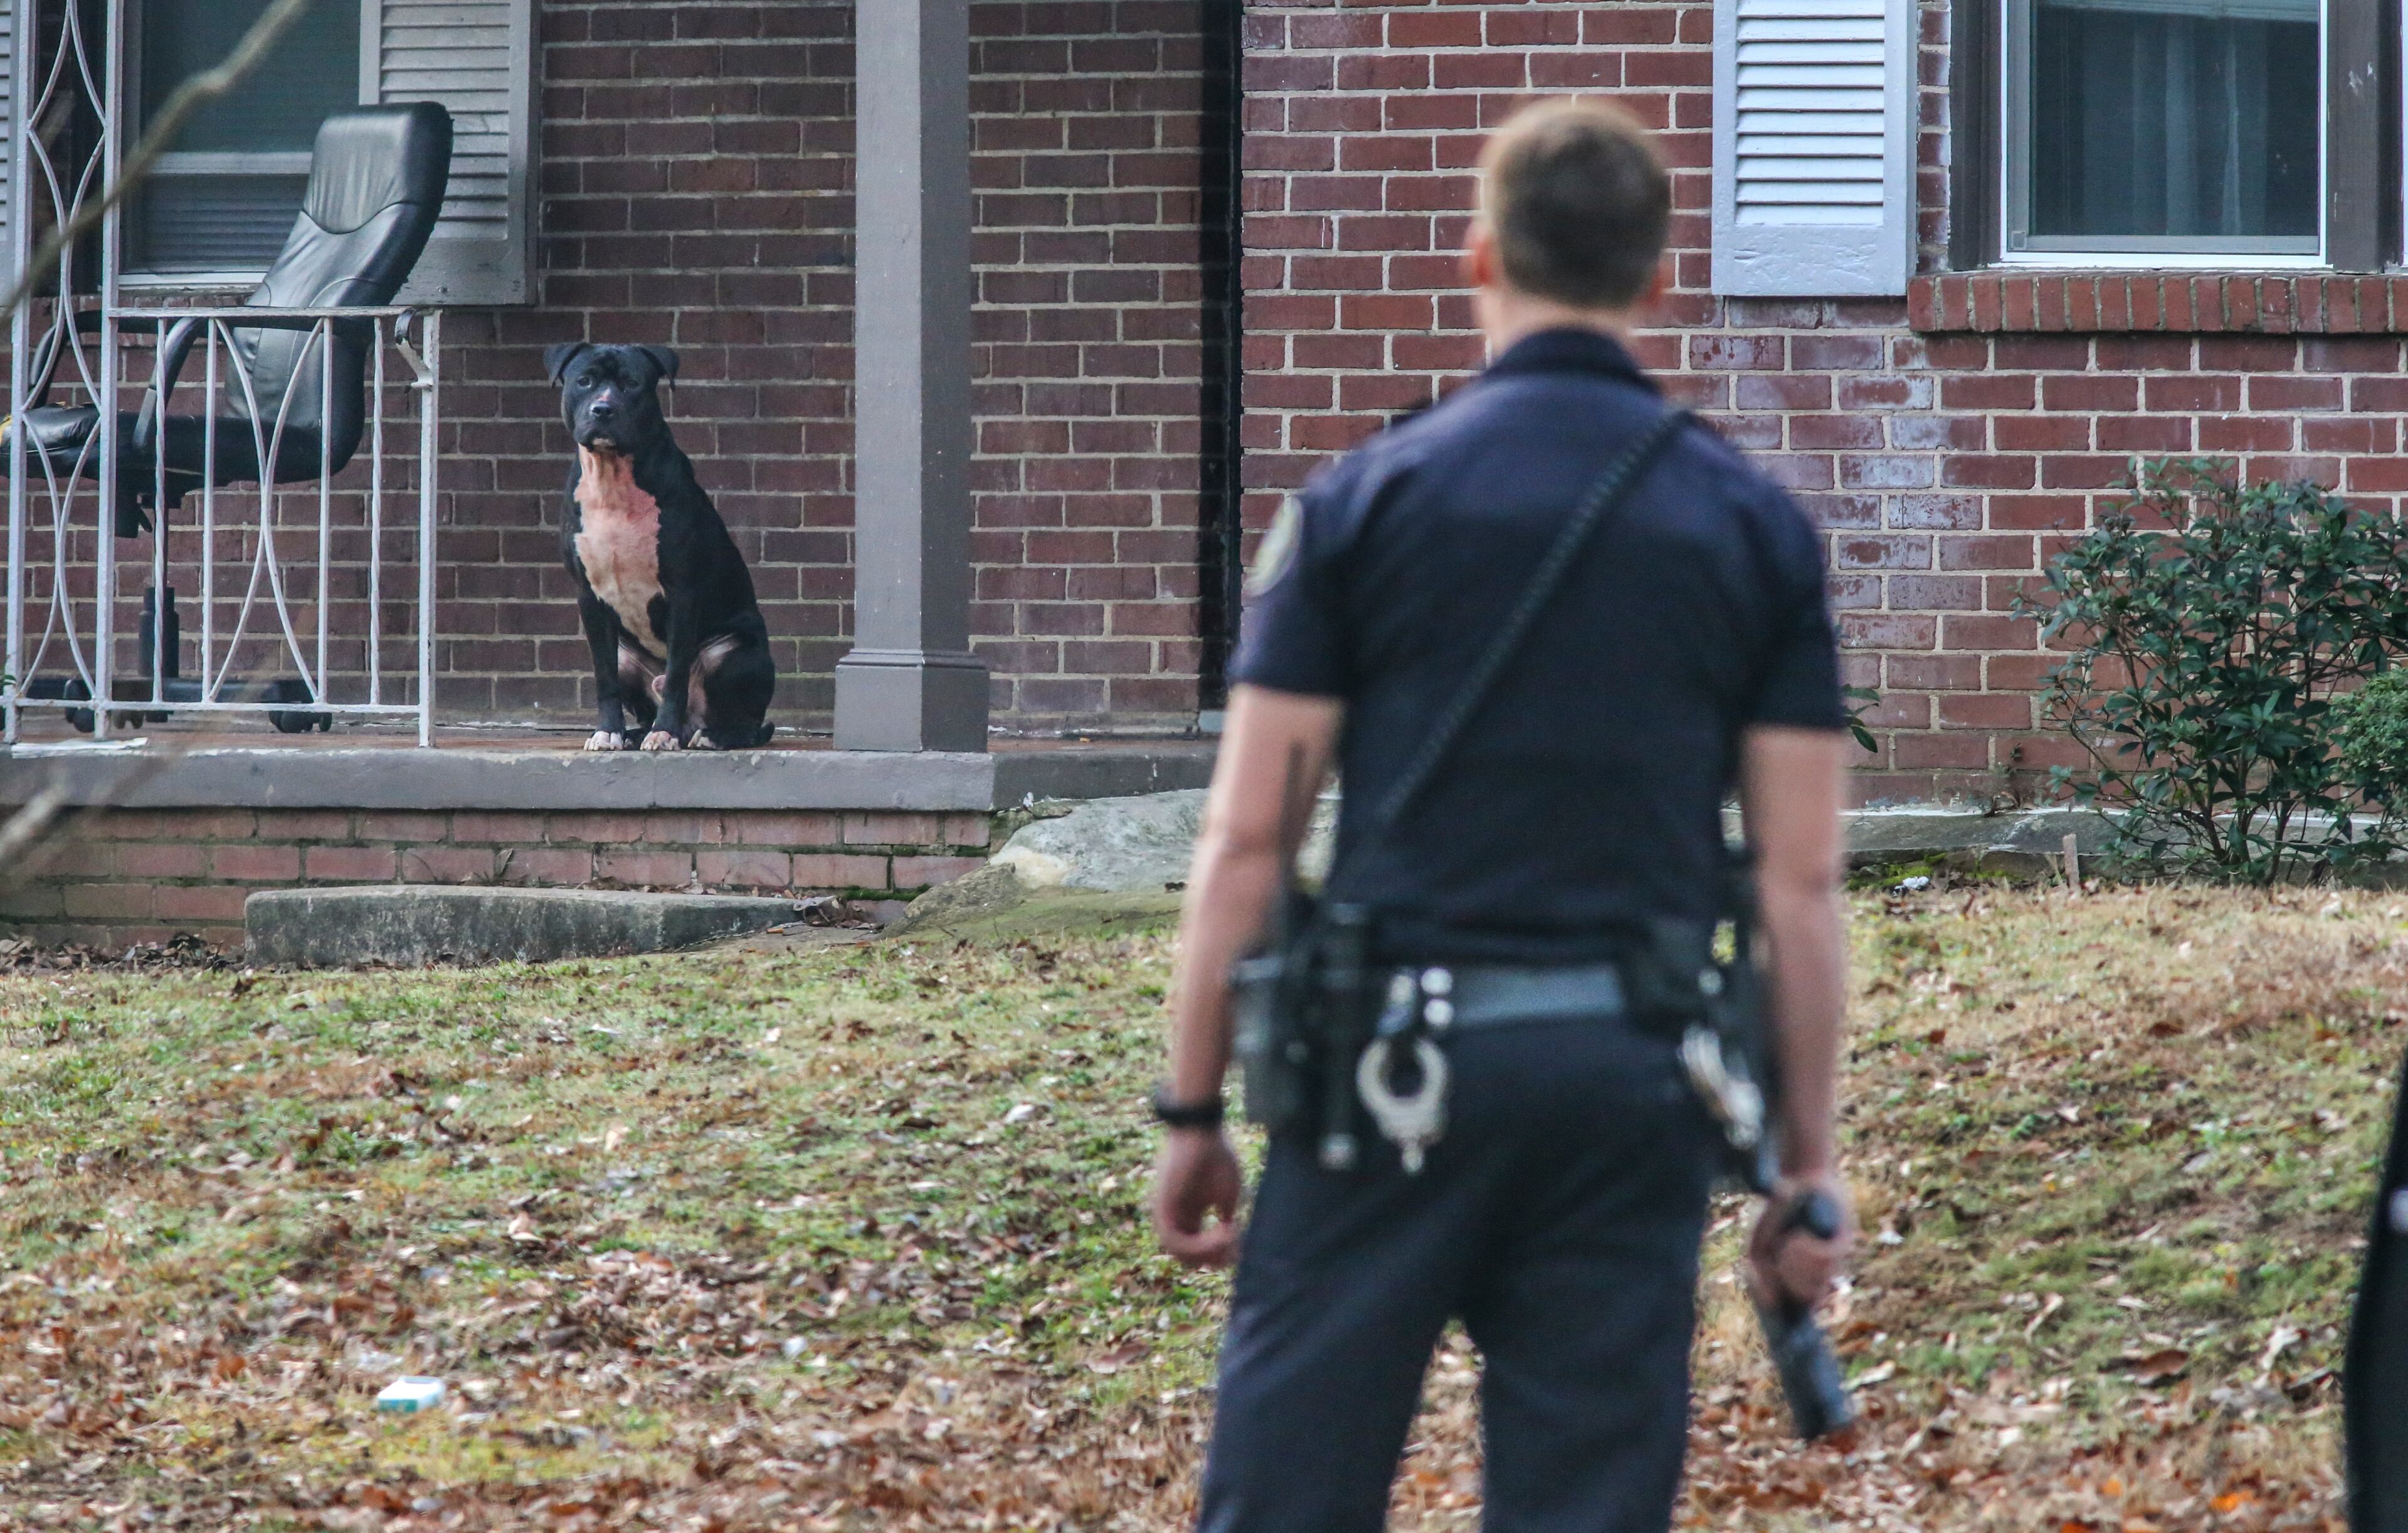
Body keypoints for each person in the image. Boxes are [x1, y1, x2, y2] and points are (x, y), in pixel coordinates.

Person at [1147, 97, 1855, 1533]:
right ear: (1657, 281)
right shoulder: (1753, 526)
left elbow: (1244, 843)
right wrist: (1807, 1165)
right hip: (1628, 1081)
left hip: (1377, 1083)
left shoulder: (1361, 504)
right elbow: (1800, 882)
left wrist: (1195, 1105)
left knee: (1287, 1494)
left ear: (1480, 259)